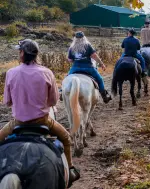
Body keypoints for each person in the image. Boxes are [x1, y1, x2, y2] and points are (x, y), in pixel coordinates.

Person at [0, 39, 80, 187]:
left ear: (23, 53)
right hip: (43, 121)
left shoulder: (11, 73)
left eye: (20, 51)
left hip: (18, 122)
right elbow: (54, 101)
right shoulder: (47, 72)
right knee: (66, 138)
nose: (19, 53)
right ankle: (70, 169)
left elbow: (7, 102)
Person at [68, 32, 111, 104]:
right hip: (88, 68)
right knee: (100, 79)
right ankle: (104, 97)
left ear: (75, 38)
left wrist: (76, 60)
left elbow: (70, 60)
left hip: (75, 68)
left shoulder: (71, 48)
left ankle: (61, 92)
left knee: (67, 77)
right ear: (84, 38)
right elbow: (94, 56)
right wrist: (101, 64)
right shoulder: (87, 46)